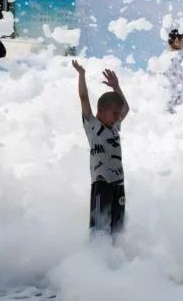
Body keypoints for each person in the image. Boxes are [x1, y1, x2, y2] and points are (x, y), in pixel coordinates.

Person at [72, 60, 130, 237]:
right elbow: (83, 97)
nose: (118, 117)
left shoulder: (114, 126)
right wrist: (81, 75)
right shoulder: (92, 125)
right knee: (99, 230)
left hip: (119, 184)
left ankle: (116, 252)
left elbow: (126, 108)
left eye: (119, 114)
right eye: (114, 113)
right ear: (100, 109)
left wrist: (116, 87)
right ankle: (96, 252)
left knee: (118, 229)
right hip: (101, 184)